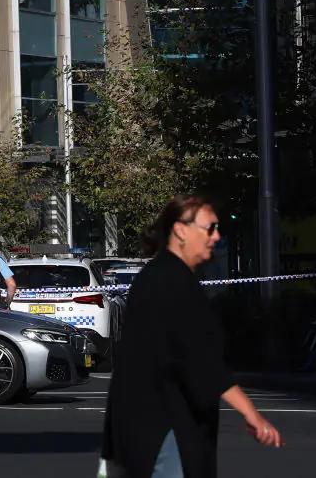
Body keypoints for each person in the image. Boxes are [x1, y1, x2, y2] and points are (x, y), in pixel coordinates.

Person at [101, 194, 283, 478]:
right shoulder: (173, 283)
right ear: (181, 230)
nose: (217, 236)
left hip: (144, 428)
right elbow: (200, 362)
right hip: (166, 429)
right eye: (210, 228)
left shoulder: (159, 276)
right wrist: (253, 415)